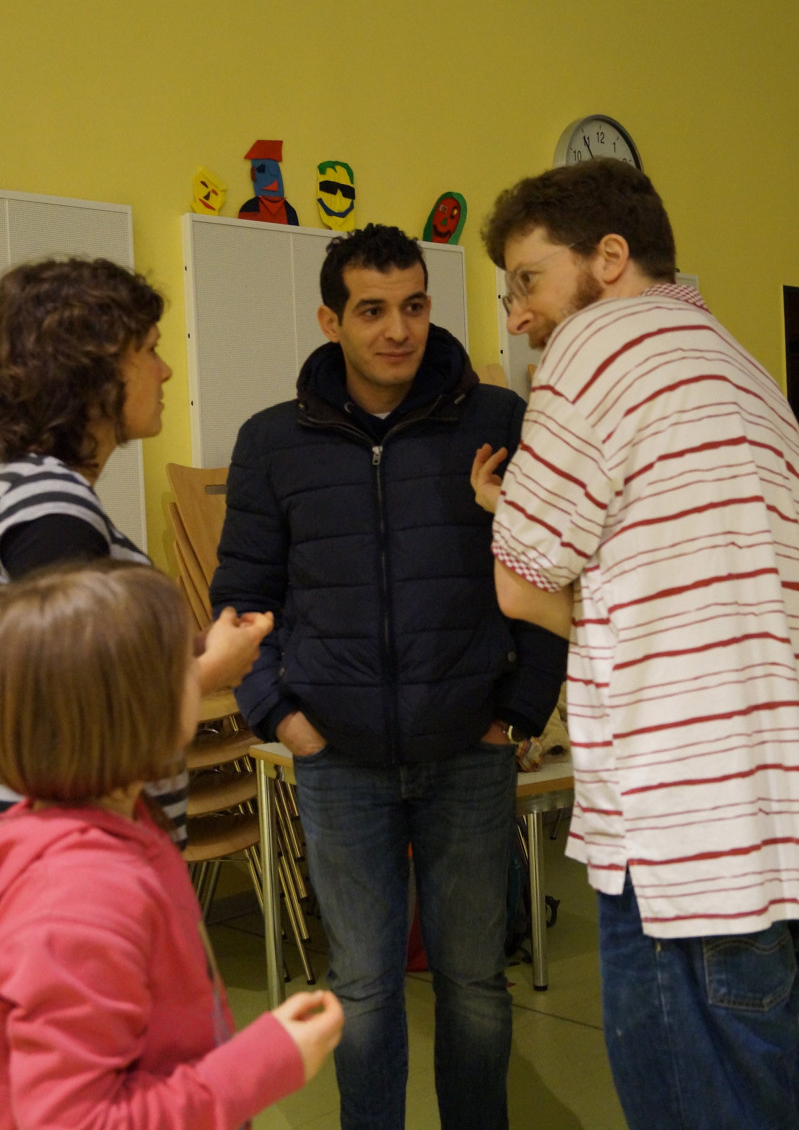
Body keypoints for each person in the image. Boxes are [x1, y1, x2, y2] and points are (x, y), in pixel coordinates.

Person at [210, 223, 567, 1130]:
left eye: (412, 306)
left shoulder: (498, 422)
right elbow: (242, 599)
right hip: (338, 760)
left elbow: (549, 570)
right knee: (362, 991)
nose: (397, 330)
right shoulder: (272, 442)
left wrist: (519, 712)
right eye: (371, 311)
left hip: (469, 751)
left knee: (475, 986)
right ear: (331, 320)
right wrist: (281, 718)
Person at [473, 157, 799, 1130]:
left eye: (527, 280)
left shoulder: (597, 343)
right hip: (761, 823)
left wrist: (510, 523)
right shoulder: (740, 368)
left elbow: (521, 582)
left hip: (673, 835)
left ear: (608, 258)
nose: (517, 316)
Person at [0, 561, 343, 1129]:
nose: (200, 673)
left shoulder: (123, 818)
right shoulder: (80, 898)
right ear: (127, 712)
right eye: (180, 666)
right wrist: (260, 1066)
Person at [0, 256, 272, 839]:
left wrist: (179, 649)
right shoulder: (50, 503)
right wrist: (211, 670)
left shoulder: (32, 488)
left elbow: (78, 662)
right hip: (81, 852)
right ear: (89, 373)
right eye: (148, 350)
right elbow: (87, 711)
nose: (166, 371)